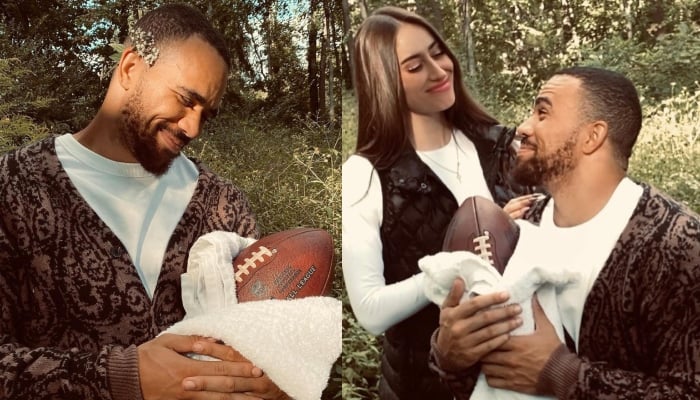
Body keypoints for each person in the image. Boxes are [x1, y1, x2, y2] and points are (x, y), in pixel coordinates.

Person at [0, 4, 290, 399]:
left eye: (207, 114)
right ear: (131, 68)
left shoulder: (223, 205)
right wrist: (122, 377)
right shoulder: (13, 188)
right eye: (186, 100)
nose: (193, 127)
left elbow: (264, 342)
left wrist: (278, 379)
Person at [430, 66, 700, 399]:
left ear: (592, 136)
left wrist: (565, 375)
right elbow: (484, 377)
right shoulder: (519, 226)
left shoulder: (677, 243)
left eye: (543, 113)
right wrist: (451, 355)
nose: (524, 128)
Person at [342, 6, 537, 400]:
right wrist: (462, 256)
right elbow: (370, 310)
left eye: (438, 52)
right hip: (424, 386)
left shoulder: (501, 143)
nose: (439, 70)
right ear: (384, 82)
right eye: (415, 66)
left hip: (521, 373)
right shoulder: (367, 174)